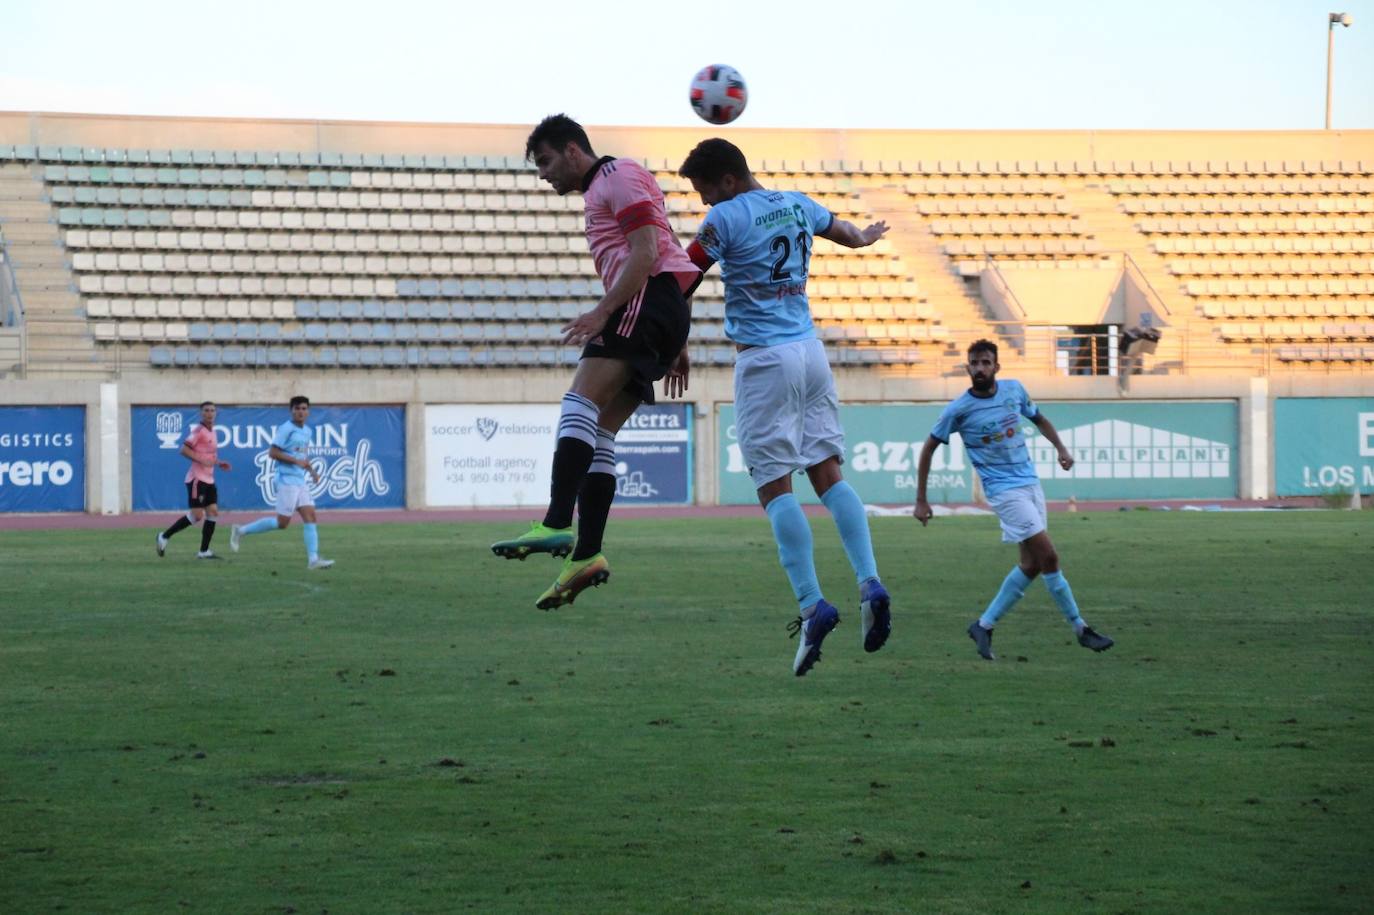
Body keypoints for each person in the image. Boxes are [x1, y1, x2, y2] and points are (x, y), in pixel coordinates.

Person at [677, 137, 892, 677]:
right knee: (828, 473)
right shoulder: (795, 201)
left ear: (727, 180)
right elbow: (842, 230)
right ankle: (869, 581)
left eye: (705, 191)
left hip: (764, 361)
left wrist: (671, 339)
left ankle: (812, 604)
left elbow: (680, 278)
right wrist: (864, 239)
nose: (705, 203)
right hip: (811, 352)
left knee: (775, 486)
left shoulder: (725, 217)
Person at [490, 114, 699, 610]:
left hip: (641, 304)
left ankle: (559, 522)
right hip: (659, 309)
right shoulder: (606, 188)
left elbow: (648, 252)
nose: (543, 174)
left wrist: (604, 311)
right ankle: (586, 554)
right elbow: (667, 251)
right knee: (600, 430)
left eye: (545, 161)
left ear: (572, 150)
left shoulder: (616, 176)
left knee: (577, 404)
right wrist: (678, 341)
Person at [912, 339, 1113, 660]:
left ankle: (984, 625)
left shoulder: (1014, 390)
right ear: (968, 368)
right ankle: (1081, 628)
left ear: (996, 367)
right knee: (1050, 557)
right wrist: (921, 499)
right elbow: (928, 449)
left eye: (986, 363)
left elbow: (1039, 418)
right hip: (1004, 492)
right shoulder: (958, 410)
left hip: (1030, 484)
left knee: (1032, 564)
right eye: (974, 363)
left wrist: (1061, 449)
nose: (980, 368)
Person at [229, 396, 334, 569]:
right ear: (291, 410)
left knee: (311, 516)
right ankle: (240, 531)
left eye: (304, 408)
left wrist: (312, 471)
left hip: (300, 480)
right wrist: (295, 461)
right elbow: (272, 453)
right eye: (297, 408)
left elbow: (302, 455)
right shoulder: (286, 429)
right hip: (286, 479)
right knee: (282, 523)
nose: (301, 411)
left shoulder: (307, 431)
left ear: (308, 411)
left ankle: (313, 559)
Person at [156, 401, 230, 559]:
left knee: (213, 512)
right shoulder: (198, 431)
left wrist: (218, 463)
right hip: (197, 479)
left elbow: (208, 454)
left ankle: (204, 551)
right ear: (201, 413)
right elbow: (183, 450)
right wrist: (202, 461)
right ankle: (164, 536)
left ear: (216, 413)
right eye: (206, 410)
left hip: (209, 479)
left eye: (212, 410)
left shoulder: (213, 432)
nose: (209, 413)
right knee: (197, 515)